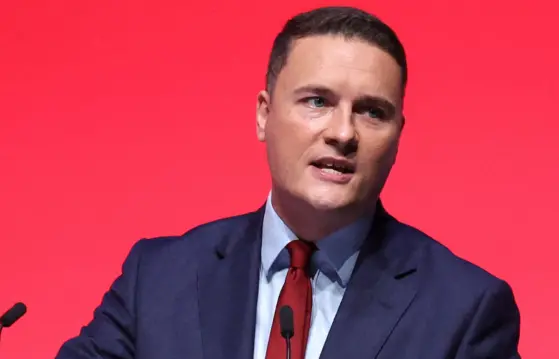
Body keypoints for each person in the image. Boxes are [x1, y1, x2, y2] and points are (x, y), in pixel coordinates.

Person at [56, 6, 521, 359]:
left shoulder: (465, 310)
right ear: (264, 114)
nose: (343, 133)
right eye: (317, 101)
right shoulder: (158, 278)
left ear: (399, 134)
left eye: (372, 111)